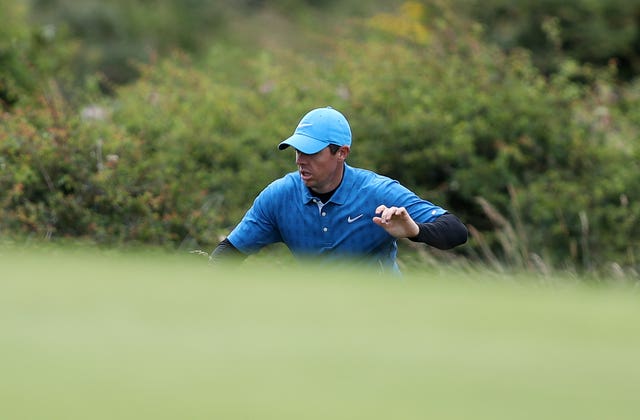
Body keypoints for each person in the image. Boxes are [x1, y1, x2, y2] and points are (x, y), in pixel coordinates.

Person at [210, 106, 468, 272]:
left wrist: (415, 230)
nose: (300, 160)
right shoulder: (279, 196)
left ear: (341, 152)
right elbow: (230, 253)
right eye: (298, 150)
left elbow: (456, 230)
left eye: (311, 152)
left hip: (385, 314)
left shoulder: (377, 192)